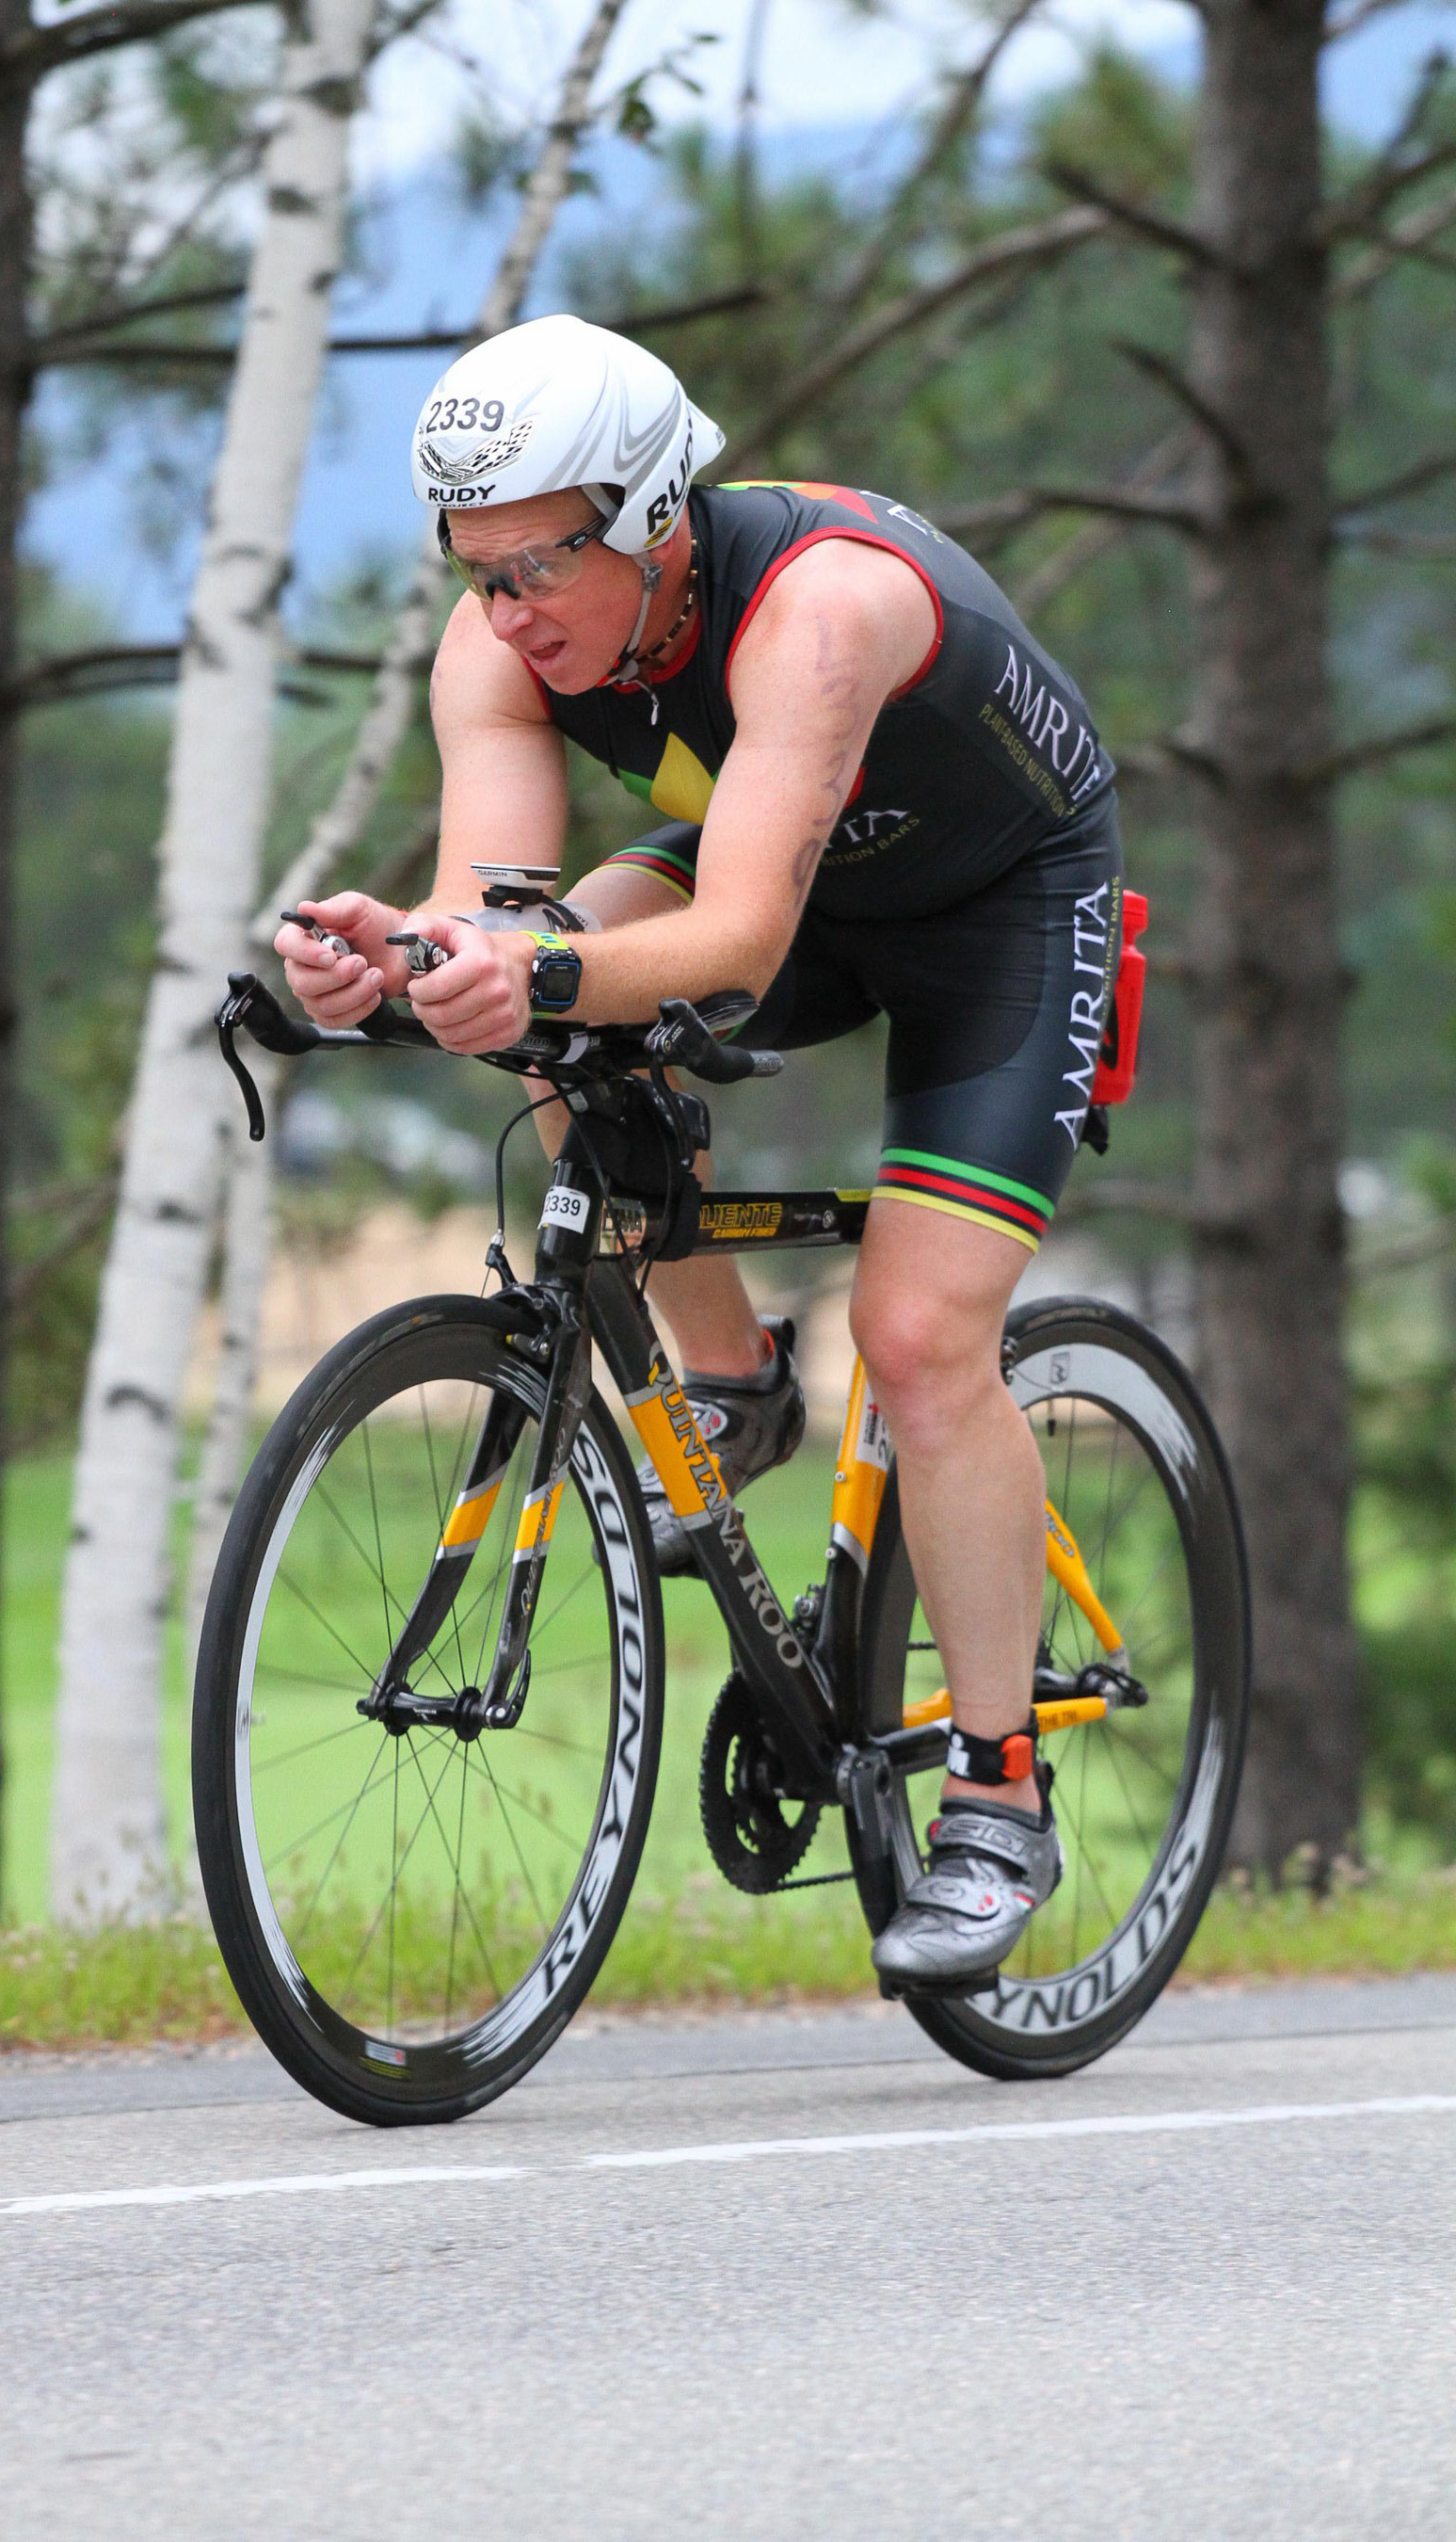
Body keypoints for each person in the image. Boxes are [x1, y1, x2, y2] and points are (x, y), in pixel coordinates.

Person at [278, 314, 1124, 1994]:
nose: (510, 612)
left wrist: (536, 964)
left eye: (539, 567)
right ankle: (731, 1389)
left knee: (924, 1335)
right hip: (782, 864)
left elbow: (734, 942)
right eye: (475, 568)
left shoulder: (821, 608)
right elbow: (501, 913)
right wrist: (401, 954)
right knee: (531, 1003)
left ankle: (1001, 1792)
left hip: (1000, 914)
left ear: (659, 516)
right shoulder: (501, 644)